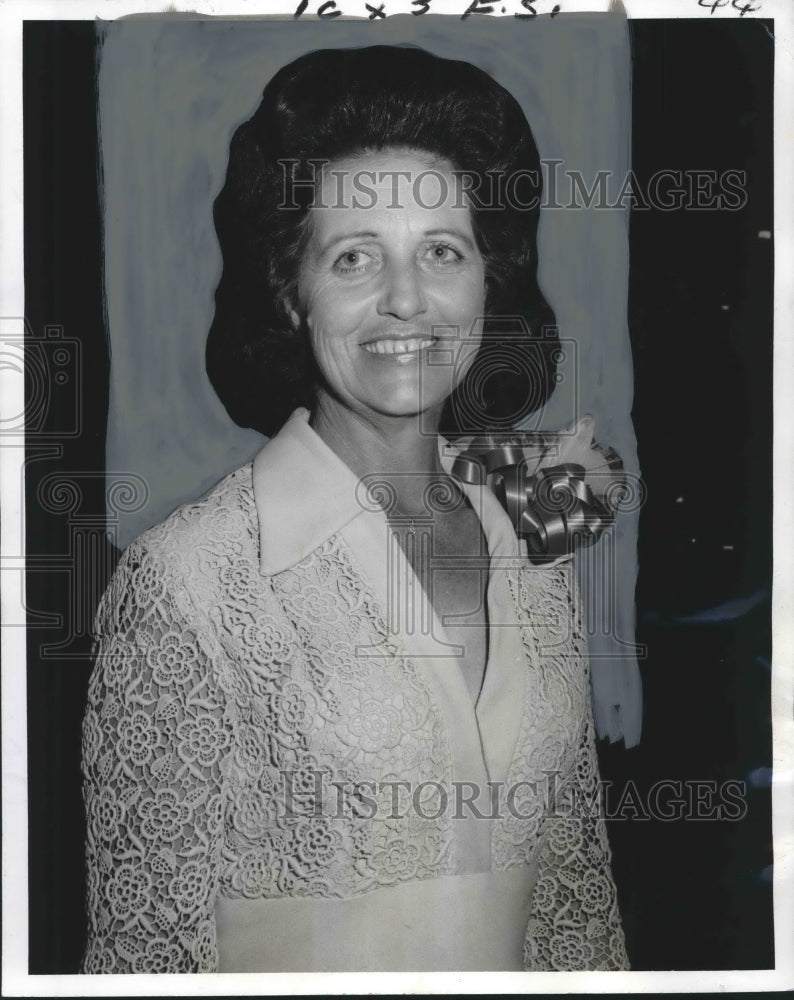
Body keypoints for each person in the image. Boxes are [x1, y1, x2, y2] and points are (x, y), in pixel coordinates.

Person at [81, 44, 630, 974]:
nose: (407, 301)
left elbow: (575, 910)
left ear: (487, 282)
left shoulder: (538, 538)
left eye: (443, 252)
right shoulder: (189, 584)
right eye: (354, 258)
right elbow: (145, 968)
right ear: (292, 295)